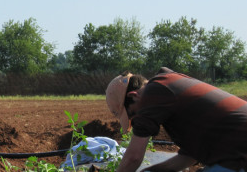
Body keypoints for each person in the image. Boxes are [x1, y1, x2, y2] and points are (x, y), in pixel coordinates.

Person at [106, 67, 247, 172]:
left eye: (133, 115)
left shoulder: (155, 92)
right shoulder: (172, 90)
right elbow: (189, 157)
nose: (137, 120)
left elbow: (134, 157)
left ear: (134, 96)